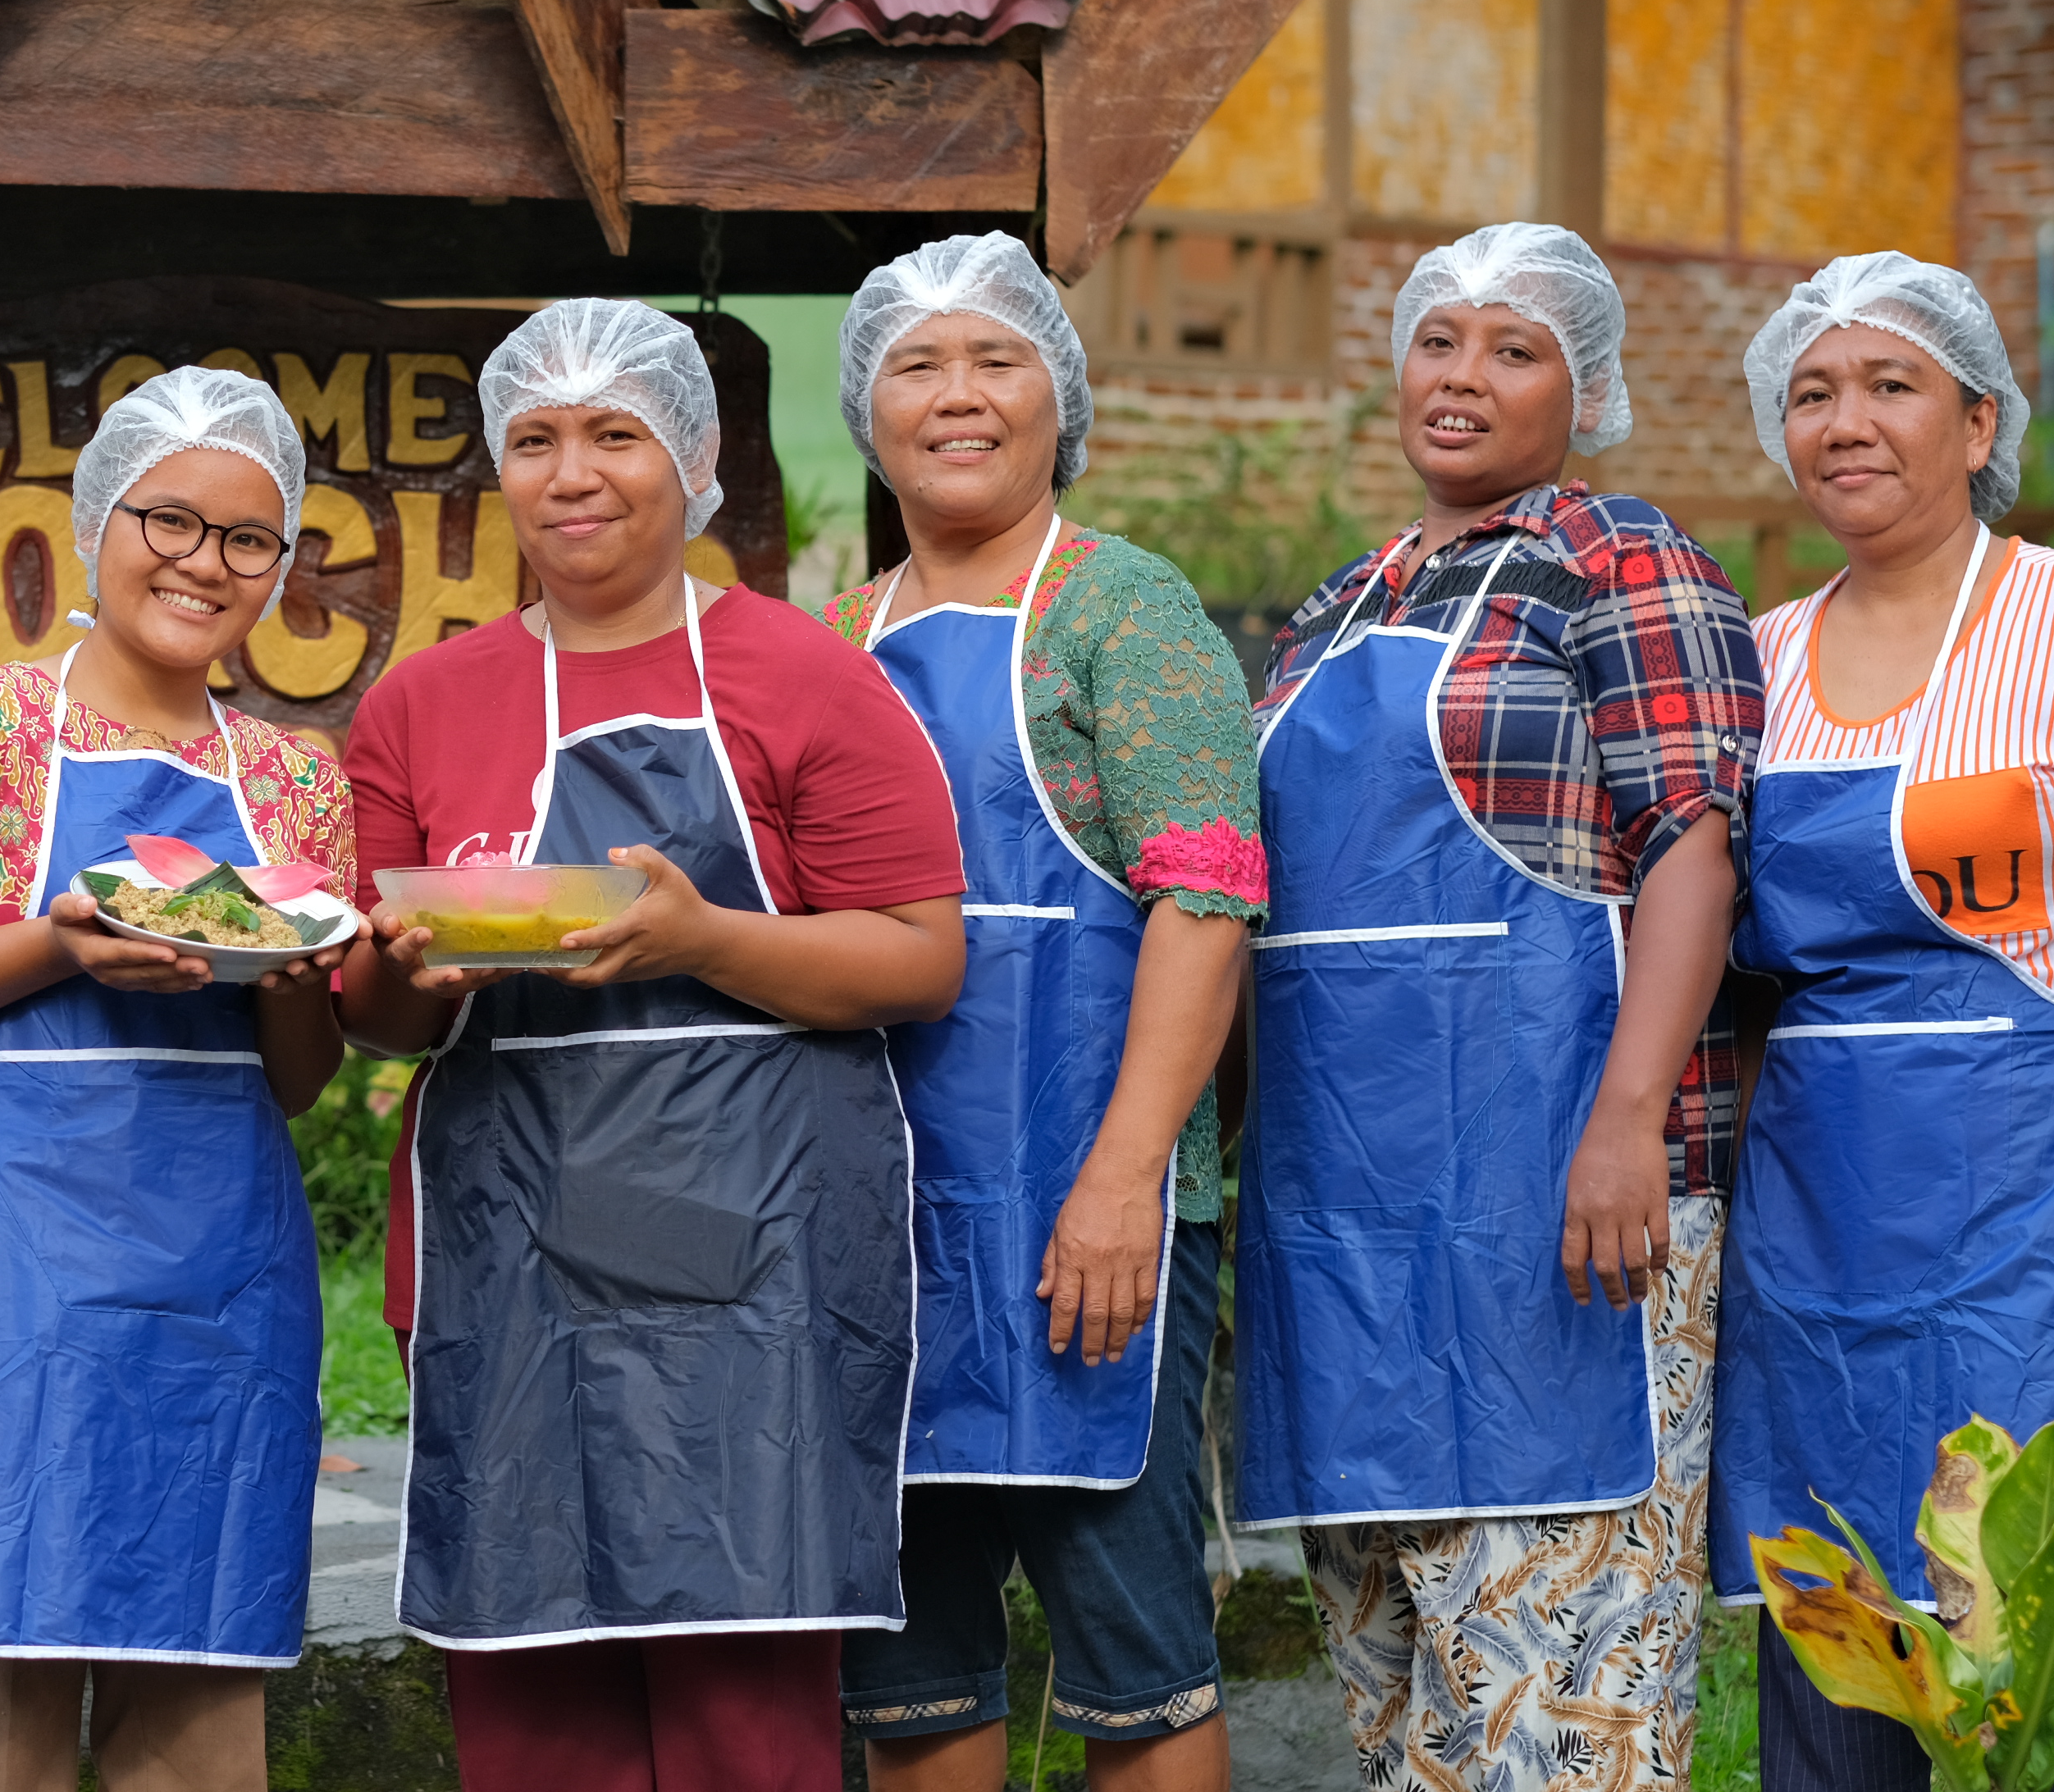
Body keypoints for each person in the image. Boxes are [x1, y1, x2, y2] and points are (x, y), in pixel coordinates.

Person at [336, 299, 967, 1792]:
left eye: (614, 435)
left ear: (690, 459)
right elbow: (370, 1009)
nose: (572, 474)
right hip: (512, 1260)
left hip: (754, 1268)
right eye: (535, 440)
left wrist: (702, 941)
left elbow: (920, 957)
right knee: (531, 1701)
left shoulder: (806, 675)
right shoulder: (423, 703)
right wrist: (413, 972)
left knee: (744, 1712)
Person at [1241, 225, 1764, 1788]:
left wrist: (1626, 1124)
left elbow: (1694, 843)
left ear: (1582, 388)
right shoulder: (1342, 602)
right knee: (1402, 1708)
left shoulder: (1622, 559)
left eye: (1513, 348)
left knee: (1562, 1710)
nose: (1462, 376)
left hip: (1565, 1199)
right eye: (1439, 340)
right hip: (1348, 1225)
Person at [0, 366, 350, 1792]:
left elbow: (299, 1080)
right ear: (95, 524)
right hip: (11, 1277)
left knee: (204, 1692)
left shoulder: (297, 781)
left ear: (281, 566)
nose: (204, 563)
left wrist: (294, 981)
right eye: (170, 521)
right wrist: (57, 947)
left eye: (248, 539)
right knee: (11, 1696)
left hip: (222, 1280)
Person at [820, 236, 1258, 1791]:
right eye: (917, 365)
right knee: (914, 1673)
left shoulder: (1124, 611)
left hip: (1094, 1204)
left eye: (995, 360)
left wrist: (1125, 1177)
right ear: (868, 411)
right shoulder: (832, 641)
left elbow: (1207, 900)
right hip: (885, 1223)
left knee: (1134, 1662)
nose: (957, 395)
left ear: (1057, 400)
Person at [1709, 254, 2054, 1792]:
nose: (1845, 420)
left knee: (2025, 1632)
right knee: (1839, 1642)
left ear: (1980, 423)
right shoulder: (1755, 661)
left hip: (2033, 1211)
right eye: (1813, 392)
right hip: (1815, 1221)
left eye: (1890, 384)